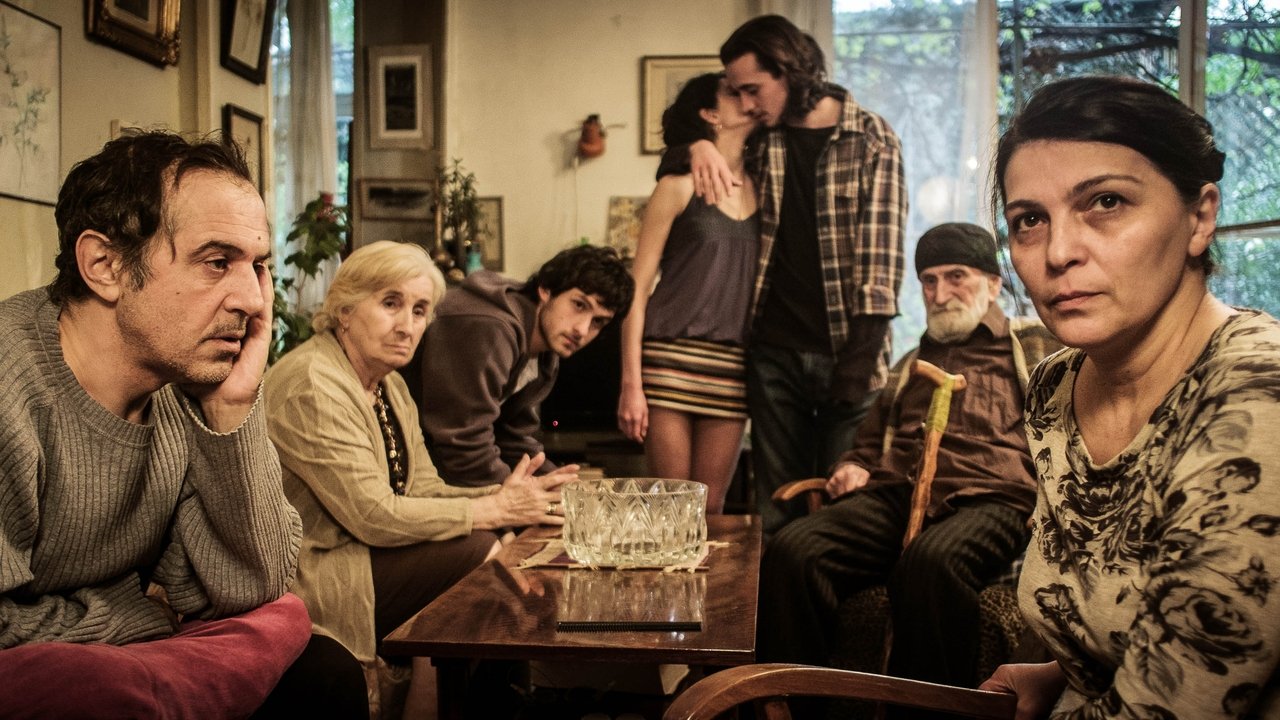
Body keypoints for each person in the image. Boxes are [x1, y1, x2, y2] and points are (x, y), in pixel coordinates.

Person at [979, 76, 1280, 718]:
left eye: (1107, 202)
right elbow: (1118, 614)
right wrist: (1059, 674)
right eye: (1030, 220)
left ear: (1200, 217)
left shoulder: (1258, 395)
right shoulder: (1056, 385)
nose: (1059, 252)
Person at [0, 131, 324, 718]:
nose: (253, 301)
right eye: (217, 263)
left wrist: (231, 409)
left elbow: (252, 587)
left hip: (98, 644)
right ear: (104, 265)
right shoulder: (10, 385)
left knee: (315, 661)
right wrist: (140, 613)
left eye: (257, 267)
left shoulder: (182, 385)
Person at [264, 241, 575, 712]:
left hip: (368, 550)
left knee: (495, 546)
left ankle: (476, 704)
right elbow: (373, 515)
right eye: (391, 304)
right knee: (481, 554)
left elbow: (424, 487)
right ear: (344, 309)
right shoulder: (312, 382)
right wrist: (495, 509)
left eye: (419, 310)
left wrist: (509, 496)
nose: (407, 325)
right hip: (317, 567)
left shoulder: (388, 383)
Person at [757, 223, 1038, 693]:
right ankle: (792, 704)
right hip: (897, 496)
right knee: (792, 550)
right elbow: (867, 447)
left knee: (931, 563)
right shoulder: (909, 363)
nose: (939, 294)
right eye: (929, 280)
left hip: (994, 498)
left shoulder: (1033, 346)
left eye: (956, 277)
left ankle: (928, 712)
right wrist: (851, 467)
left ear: (993, 284)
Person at [691, 14, 908, 534]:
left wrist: (856, 366)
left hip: (849, 353)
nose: (746, 104)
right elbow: (683, 133)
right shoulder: (763, 138)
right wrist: (694, 145)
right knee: (776, 512)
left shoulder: (871, 137)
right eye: (737, 93)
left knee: (845, 513)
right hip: (772, 353)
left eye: (752, 89)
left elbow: (882, 262)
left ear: (789, 71)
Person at [616, 73, 759, 513]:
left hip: (731, 368)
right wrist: (631, 385)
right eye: (734, 93)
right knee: (672, 510)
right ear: (710, 114)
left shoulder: (766, 186)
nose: (748, 100)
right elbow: (636, 291)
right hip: (668, 360)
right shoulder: (676, 185)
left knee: (712, 509)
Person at [418, 244, 634, 487]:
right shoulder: (491, 328)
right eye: (579, 305)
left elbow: (512, 438)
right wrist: (525, 497)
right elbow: (462, 443)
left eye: (598, 322)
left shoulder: (543, 354)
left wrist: (562, 488)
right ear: (546, 289)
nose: (582, 330)